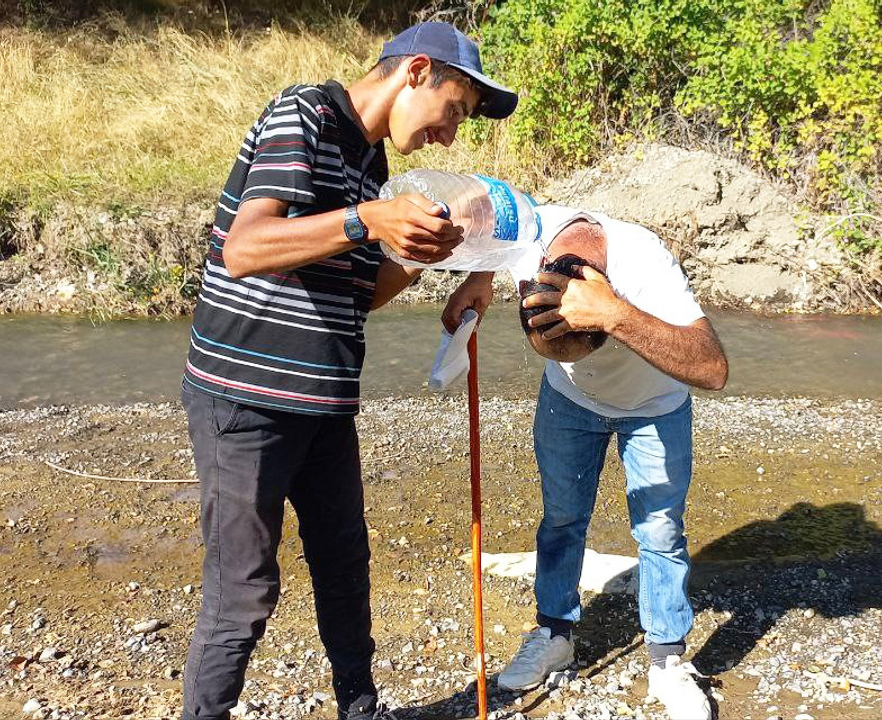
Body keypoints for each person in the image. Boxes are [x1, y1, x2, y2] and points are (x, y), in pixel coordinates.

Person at [178, 22, 517, 720]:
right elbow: (243, 249)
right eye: (453, 111)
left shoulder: (370, 166)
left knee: (344, 569)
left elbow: (359, 295)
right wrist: (370, 219)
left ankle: (360, 711)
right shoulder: (305, 113)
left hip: (325, 402)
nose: (450, 136)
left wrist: (446, 254)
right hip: (246, 400)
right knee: (242, 592)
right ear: (416, 70)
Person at [498, 206, 729, 720]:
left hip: (654, 408)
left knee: (660, 531)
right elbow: (471, 215)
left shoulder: (646, 263)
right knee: (560, 519)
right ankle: (554, 632)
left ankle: (668, 660)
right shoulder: (529, 232)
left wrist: (615, 315)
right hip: (568, 403)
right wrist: (473, 278)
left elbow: (713, 368)